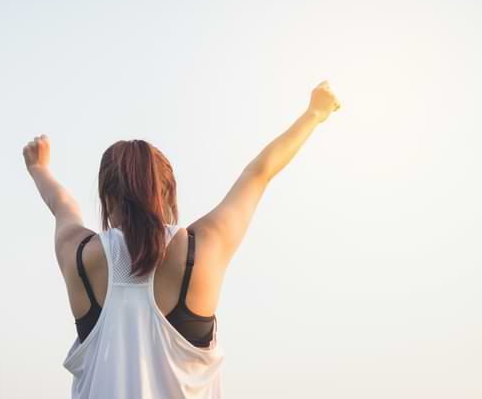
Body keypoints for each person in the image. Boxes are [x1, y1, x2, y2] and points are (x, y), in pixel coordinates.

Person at [22, 80, 342, 398]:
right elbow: (258, 172)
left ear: (106, 197)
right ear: (168, 193)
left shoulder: (79, 257)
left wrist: (39, 167)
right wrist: (314, 113)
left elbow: (62, 204)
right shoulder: (203, 249)